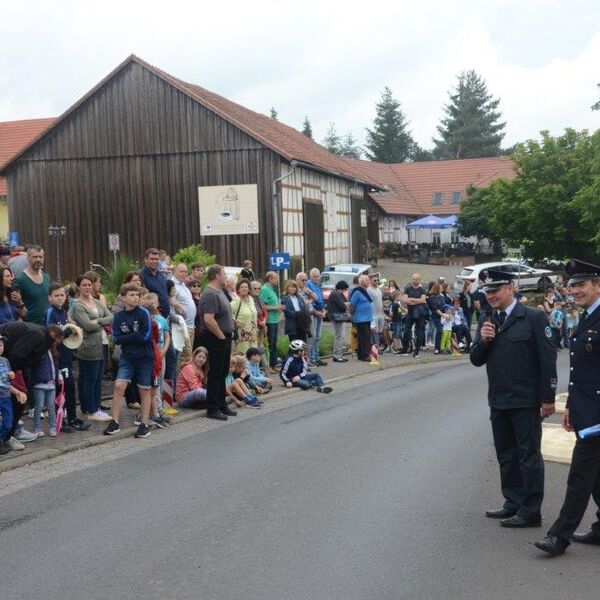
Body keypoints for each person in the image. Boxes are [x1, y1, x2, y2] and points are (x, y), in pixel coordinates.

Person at [470, 268, 557, 529]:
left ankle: (531, 510)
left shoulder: (532, 317)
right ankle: (513, 500)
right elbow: (476, 359)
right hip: (498, 399)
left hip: (525, 400)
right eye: (487, 291)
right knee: (506, 455)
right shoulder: (487, 318)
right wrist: (483, 342)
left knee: (528, 456)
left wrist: (548, 398)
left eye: (495, 290)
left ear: (510, 288)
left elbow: (548, 360)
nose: (491, 296)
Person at [535, 259, 600, 556]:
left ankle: (559, 536)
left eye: (582, 285)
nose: (575, 290)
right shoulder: (587, 316)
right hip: (586, 410)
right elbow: (581, 373)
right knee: (596, 476)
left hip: (598, 415)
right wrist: (572, 406)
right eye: (572, 285)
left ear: (598, 285)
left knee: (579, 476)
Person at [103, 283, 155, 437]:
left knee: (144, 390)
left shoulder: (144, 313)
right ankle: (115, 422)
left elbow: (146, 336)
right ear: (123, 297)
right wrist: (134, 337)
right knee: (119, 386)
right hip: (127, 357)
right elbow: (116, 338)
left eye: (137, 295)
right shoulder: (118, 316)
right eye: (132, 295)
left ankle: (144, 424)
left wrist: (128, 338)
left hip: (145, 357)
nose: (135, 298)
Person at [44, 283, 91, 432]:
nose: (59, 298)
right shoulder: (50, 312)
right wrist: (67, 333)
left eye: (62, 295)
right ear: (50, 298)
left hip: (66, 356)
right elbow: (50, 335)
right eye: (56, 296)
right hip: (57, 359)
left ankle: (72, 418)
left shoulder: (63, 312)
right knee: (61, 389)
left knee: (70, 388)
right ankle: (61, 421)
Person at [69, 274, 113, 421]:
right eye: (84, 285)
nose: (88, 287)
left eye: (89, 284)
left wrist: (97, 320)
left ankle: (96, 407)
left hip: (103, 344)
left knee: (99, 378)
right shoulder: (77, 305)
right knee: (90, 378)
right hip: (88, 346)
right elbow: (87, 326)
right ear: (78, 287)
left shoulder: (97, 302)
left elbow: (111, 317)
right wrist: (99, 323)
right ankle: (91, 410)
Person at [198, 264, 238, 421]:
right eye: (224, 274)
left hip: (225, 336)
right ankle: (212, 408)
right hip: (216, 337)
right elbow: (208, 318)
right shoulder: (209, 294)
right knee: (215, 372)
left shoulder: (219, 291)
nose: (226, 276)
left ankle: (222, 404)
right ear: (217, 276)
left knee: (222, 372)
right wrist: (221, 336)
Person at [0, 335, 28, 454]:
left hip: (5, 397)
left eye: (0, 345)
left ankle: (2, 440)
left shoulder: (5, 361)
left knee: (8, 423)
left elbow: (6, 382)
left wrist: (17, 391)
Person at [14, 245, 50, 324]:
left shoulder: (47, 278)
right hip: (31, 327)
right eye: (35, 257)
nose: (38, 259)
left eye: (40, 257)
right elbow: (15, 307)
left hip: (47, 326)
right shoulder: (20, 280)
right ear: (27, 258)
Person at [259, 271, 284, 372]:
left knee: (274, 343)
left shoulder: (272, 289)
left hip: (275, 320)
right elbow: (262, 306)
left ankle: (274, 365)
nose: (277, 280)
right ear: (270, 279)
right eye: (276, 278)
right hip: (268, 320)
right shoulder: (264, 289)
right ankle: (268, 366)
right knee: (268, 343)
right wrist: (276, 307)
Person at [172, 263, 197, 366]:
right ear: (175, 272)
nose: (184, 274)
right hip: (182, 326)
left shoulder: (184, 286)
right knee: (184, 357)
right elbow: (170, 300)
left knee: (187, 356)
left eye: (186, 272)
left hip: (191, 326)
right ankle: (180, 381)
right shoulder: (172, 284)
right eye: (181, 271)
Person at [400, 273, 428, 358]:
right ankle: (405, 349)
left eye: (416, 279)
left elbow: (422, 300)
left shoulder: (422, 290)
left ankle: (417, 351)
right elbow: (405, 300)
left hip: (419, 314)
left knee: (419, 332)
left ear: (419, 280)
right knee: (406, 331)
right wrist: (416, 301)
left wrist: (411, 299)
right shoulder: (408, 289)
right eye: (413, 279)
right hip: (410, 313)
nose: (415, 281)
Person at [305, 268, 327, 367]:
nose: (317, 278)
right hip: (314, 313)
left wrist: (323, 310)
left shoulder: (317, 284)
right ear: (311, 276)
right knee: (313, 336)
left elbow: (321, 298)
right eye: (315, 276)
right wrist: (317, 312)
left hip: (320, 312)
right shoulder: (308, 284)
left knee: (318, 336)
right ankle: (313, 358)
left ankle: (317, 357)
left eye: (318, 276)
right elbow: (311, 300)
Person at [139, 248, 170, 319]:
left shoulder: (161, 275)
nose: (154, 261)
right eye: (152, 259)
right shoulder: (141, 276)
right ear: (146, 260)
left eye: (156, 259)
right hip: (152, 317)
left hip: (165, 317)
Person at [349, 275, 373, 362]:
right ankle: (364, 355)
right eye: (367, 281)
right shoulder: (357, 292)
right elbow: (352, 304)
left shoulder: (365, 291)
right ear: (363, 282)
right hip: (360, 318)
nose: (369, 282)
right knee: (364, 337)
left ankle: (361, 355)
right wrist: (351, 315)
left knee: (364, 336)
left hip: (367, 318)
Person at [230, 279, 258, 354]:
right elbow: (228, 314)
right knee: (243, 355)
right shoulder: (236, 301)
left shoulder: (251, 299)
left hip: (253, 332)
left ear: (249, 289)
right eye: (242, 287)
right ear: (238, 290)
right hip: (242, 333)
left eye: (246, 287)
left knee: (254, 354)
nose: (244, 289)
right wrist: (235, 321)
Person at [326, 280, 350, 362]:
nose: (345, 291)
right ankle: (337, 355)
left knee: (340, 336)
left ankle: (339, 354)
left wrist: (346, 304)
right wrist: (346, 305)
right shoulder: (336, 294)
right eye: (344, 289)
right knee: (339, 337)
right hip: (337, 318)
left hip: (338, 317)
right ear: (341, 288)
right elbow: (343, 306)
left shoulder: (337, 293)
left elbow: (345, 303)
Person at [282, 279, 311, 344]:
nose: (293, 289)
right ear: (287, 288)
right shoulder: (284, 299)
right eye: (291, 287)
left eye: (294, 287)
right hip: (292, 325)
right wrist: (300, 313)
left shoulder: (299, 297)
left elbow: (304, 309)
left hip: (302, 324)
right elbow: (288, 313)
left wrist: (301, 313)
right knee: (295, 346)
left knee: (303, 344)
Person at [427, 282, 445, 355]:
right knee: (439, 330)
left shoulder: (441, 297)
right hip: (436, 316)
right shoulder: (431, 298)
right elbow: (434, 308)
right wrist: (442, 314)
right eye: (440, 288)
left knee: (443, 331)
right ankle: (437, 348)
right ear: (437, 289)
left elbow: (444, 306)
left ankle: (441, 346)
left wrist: (448, 312)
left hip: (443, 316)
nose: (442, 289)